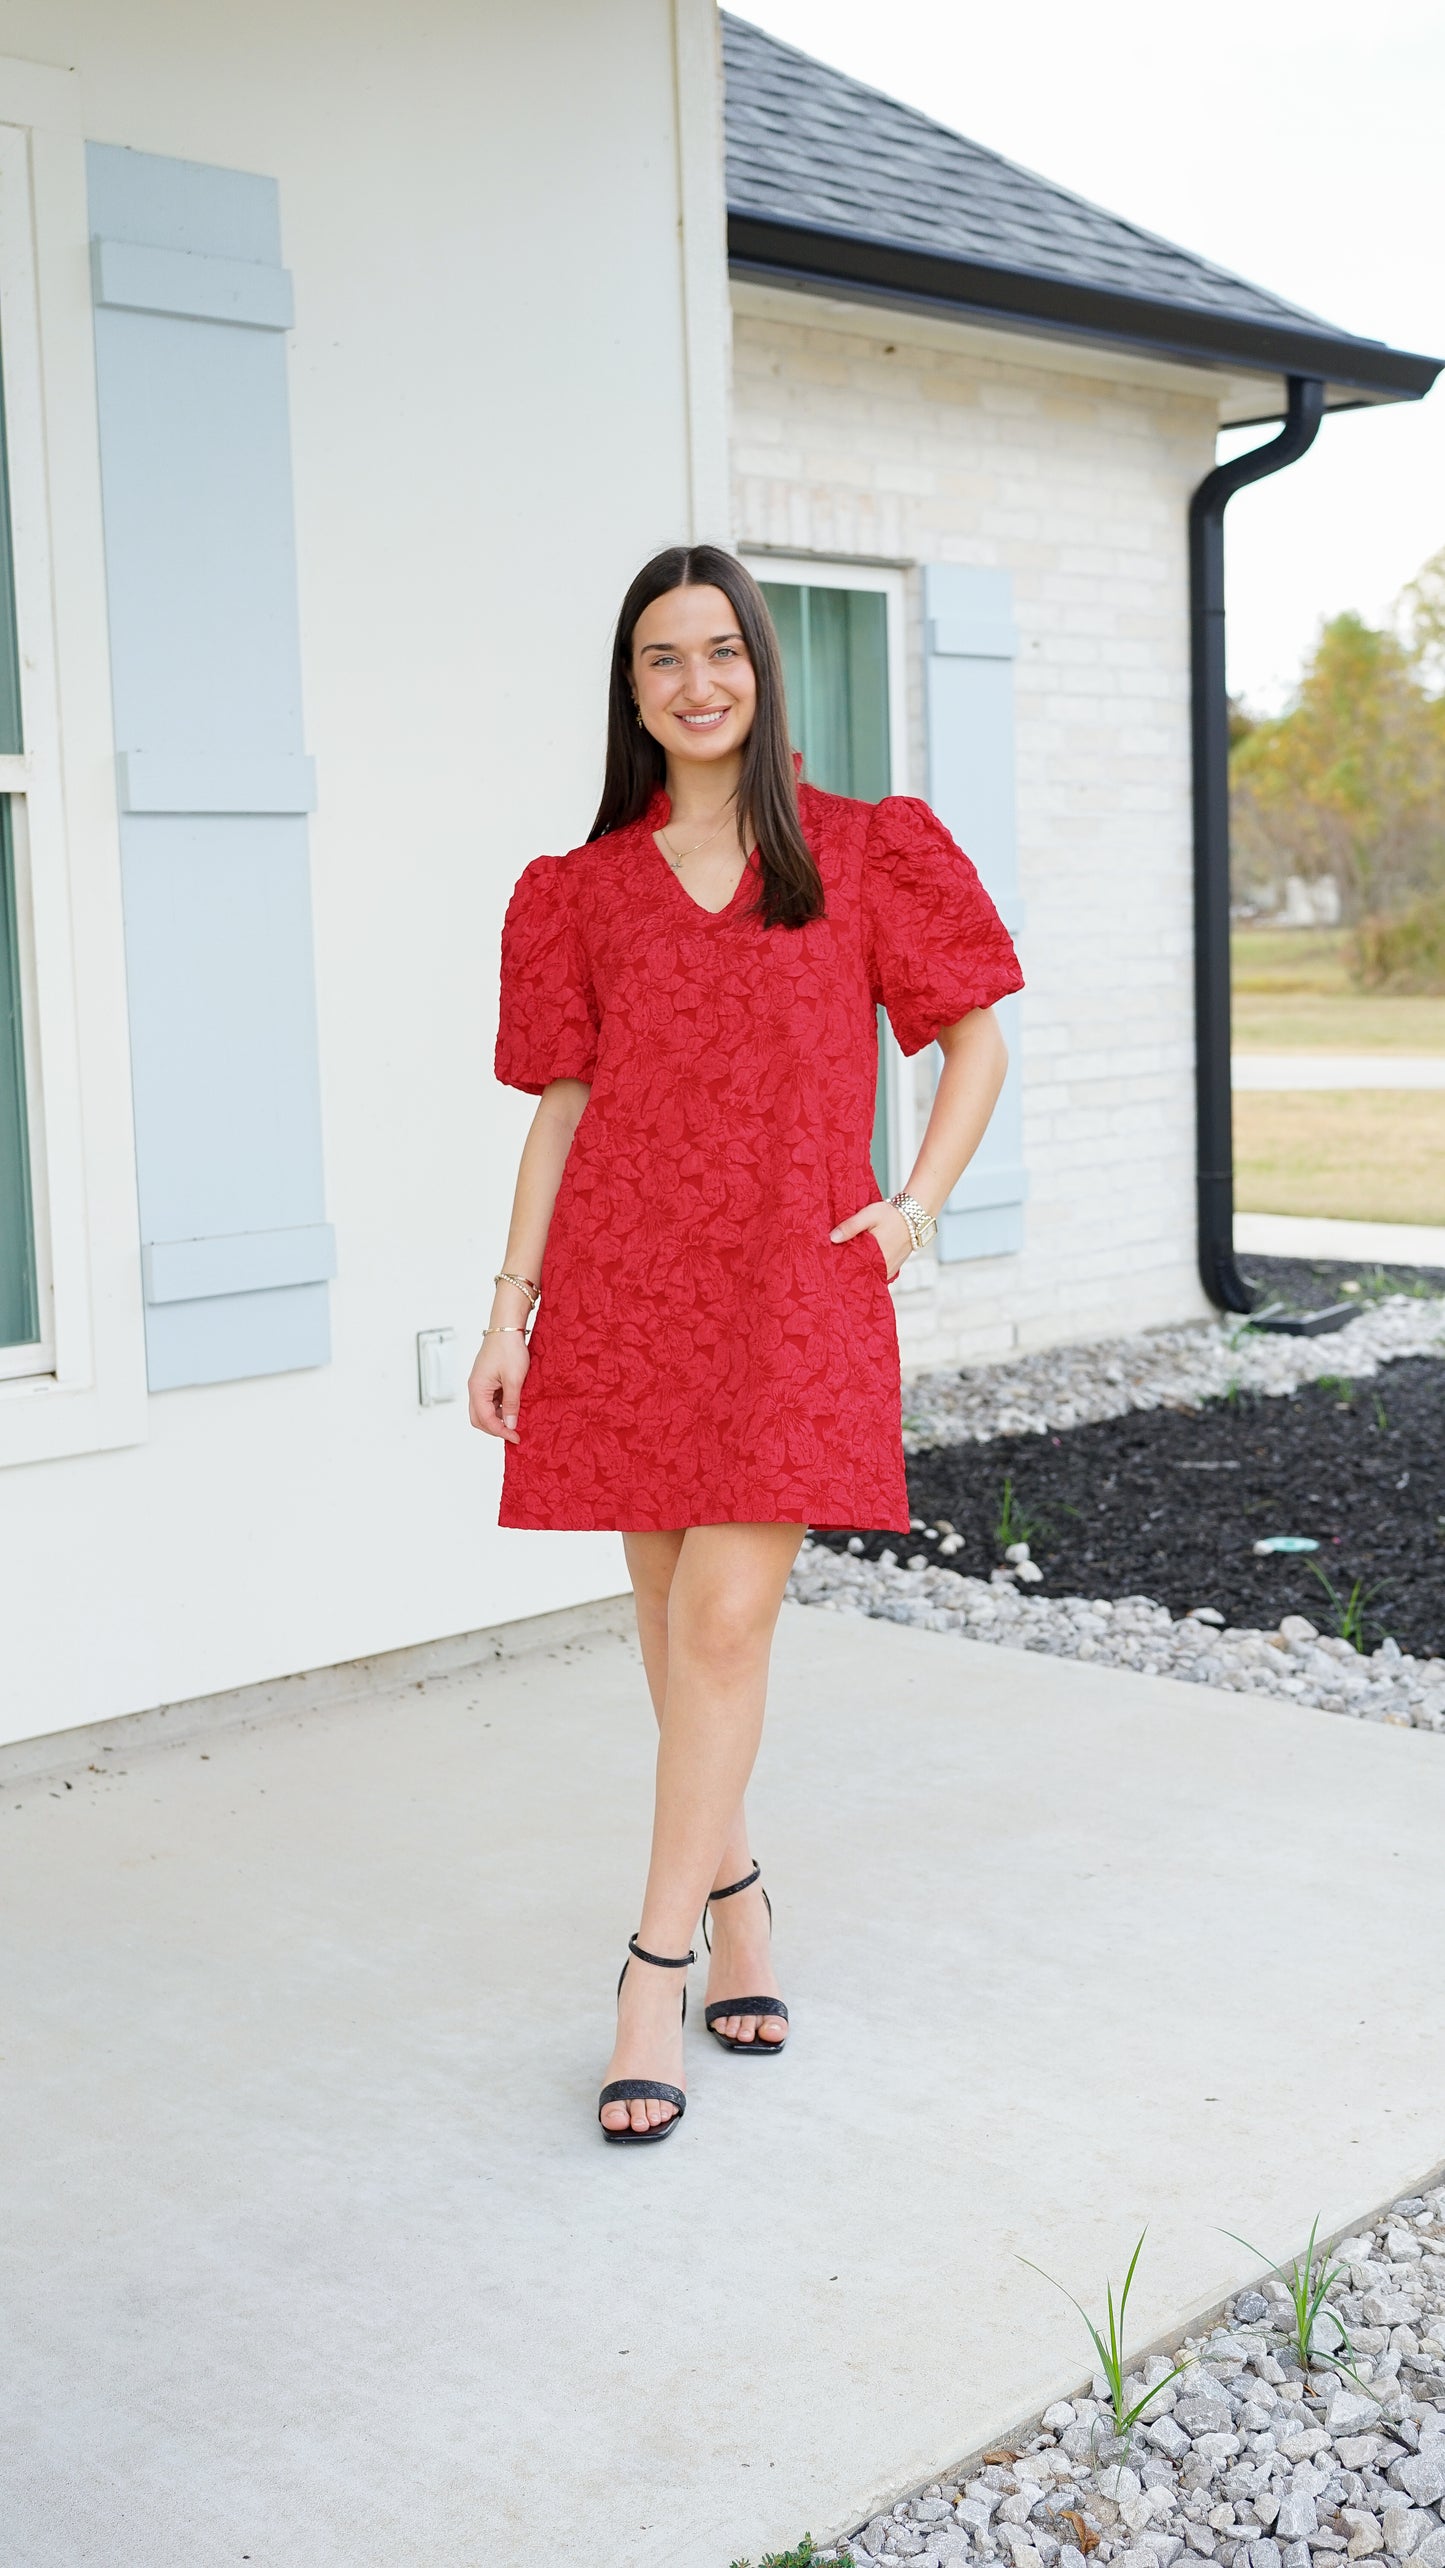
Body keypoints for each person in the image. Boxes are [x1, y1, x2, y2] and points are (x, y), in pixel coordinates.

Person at [469, 545, 1021, 2144]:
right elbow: (564, 1115)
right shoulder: (573, 891)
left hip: (793, 1288)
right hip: (628, 1289)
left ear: (761, 670)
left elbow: (974, 1032)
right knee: (664, 1621)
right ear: (630, 692)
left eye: (722, 651)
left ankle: (652, 1967)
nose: (696, 681)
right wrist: (512, 1307)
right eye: (662, 659)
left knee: (721, 1622)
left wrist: (908, 1209)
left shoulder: (863, 851)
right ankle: (744, 1902)